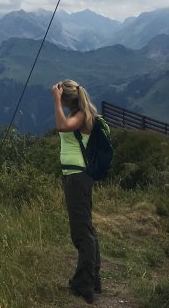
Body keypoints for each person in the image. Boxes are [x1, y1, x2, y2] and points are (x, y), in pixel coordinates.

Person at [52, 79, 102, 304]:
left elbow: (62, 126)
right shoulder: (79, 113)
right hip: (77, 176)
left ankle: (84, 284)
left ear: (66, 99)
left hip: (78, 177)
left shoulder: (81, 115)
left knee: (81, 232)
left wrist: (56, 101)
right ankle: (93, 279)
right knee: (86, 228)